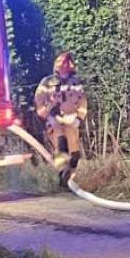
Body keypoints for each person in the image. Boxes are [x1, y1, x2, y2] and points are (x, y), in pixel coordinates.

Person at [32, 52, 87, 188]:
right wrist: (48, 117)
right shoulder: (46, 83)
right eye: (62, 66)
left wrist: (79, 119)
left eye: (67, 66)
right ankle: (62, 178)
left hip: (70, 120)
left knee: (74, 151)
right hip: (54, 120)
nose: (64, 69)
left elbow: (82, 102)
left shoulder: (75, 83)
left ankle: (71, 178)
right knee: (60, 146)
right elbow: (39, 101)